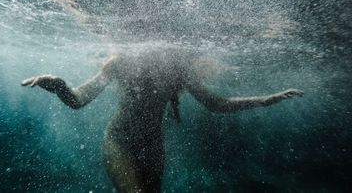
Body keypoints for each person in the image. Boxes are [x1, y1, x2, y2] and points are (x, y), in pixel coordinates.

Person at [21, 48, 303, 192]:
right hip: (119, 141)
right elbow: (80, 99)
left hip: (153, 143)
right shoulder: (119, 63)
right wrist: (59, 86)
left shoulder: (179, 69)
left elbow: (216, 104)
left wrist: (265, 100)